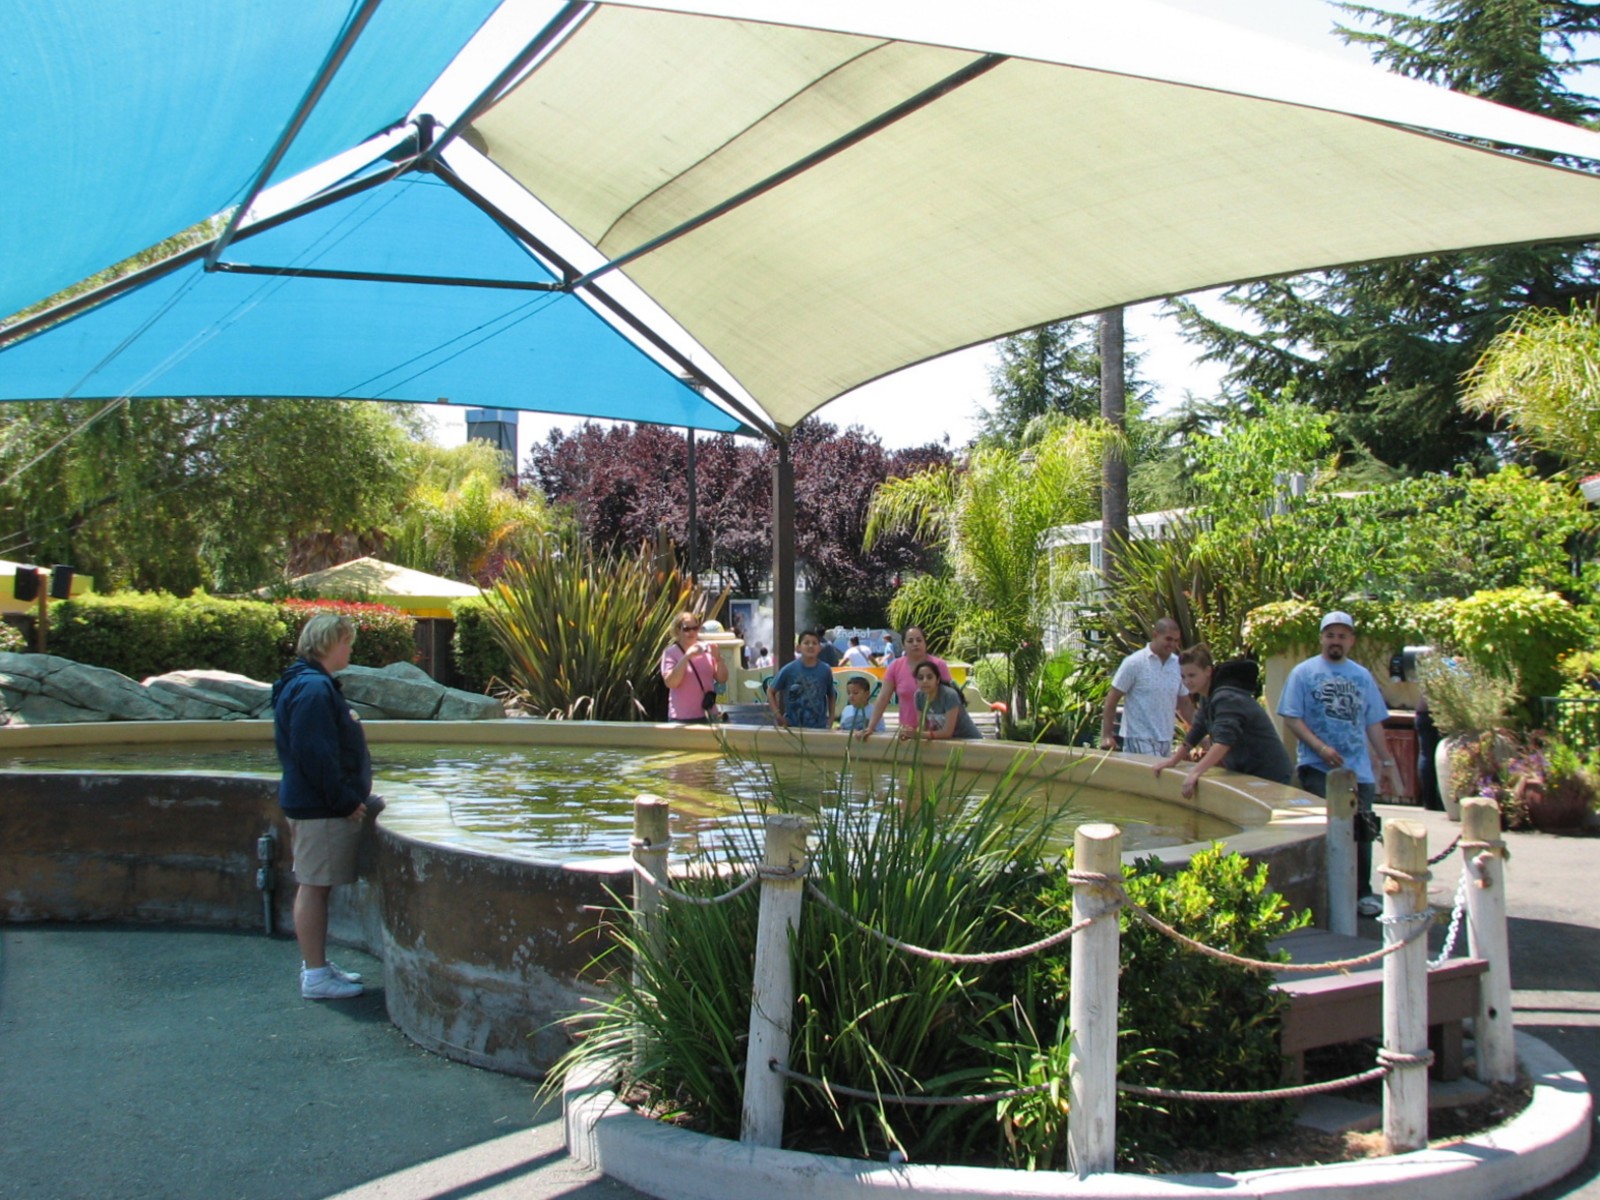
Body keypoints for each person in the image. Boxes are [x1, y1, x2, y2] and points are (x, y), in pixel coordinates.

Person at [273, 613, 378, 1001]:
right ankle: (315, 975)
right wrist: (345, 799)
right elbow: (314, 753)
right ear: (328, 643)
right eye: (346, 641)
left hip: (313, 804)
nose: (350, 649)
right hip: (319, 808)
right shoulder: (314, 690)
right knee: (314, 887)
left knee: (315, 885)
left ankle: (317, 966)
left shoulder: (309, 684)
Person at [1278, 611, 1404, 919]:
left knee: (1361, 830)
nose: (1336, 640)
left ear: (1351, 640)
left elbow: (1373, 722)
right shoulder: (1303, 673)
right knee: (1328, 828)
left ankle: (1361, 893)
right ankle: (1322, 891)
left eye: (1342, 635)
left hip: (1357, 769)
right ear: (1322, 638)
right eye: (1330, 634)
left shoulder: (1362, 676)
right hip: (1316, 767)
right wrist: (1320, 748)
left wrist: (1387, 762)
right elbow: (1292, 716)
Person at [1152, 646, 1291, 797]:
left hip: (1268, 772)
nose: (1187, 682)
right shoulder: (1208, 696)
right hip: (1245, 770)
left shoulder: (1226, 698)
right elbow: (1197, 730)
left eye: (1192, 675)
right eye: (1183, 676)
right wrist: (1173, 760)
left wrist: (1195, 772)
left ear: (1208, 671)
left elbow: (1224, 741)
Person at [1099, 617, 1194, 756]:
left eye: (1176, 640)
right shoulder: (1134, 663)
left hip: (1166, 739)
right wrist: (1107, 735)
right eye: (1168, 639)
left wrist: (1201, 737)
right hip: (1138, 737)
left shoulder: (1178, 665)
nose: (1172, 644)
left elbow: (1185, 704)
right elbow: (1112, 699)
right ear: (1155, 635)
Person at [854, 626, 949, 740]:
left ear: (925, 643)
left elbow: (950, 699)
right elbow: (883, 698)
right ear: (903, 645)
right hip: (907, 733)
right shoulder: (895, 667)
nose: (915, 644)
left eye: (919, 640)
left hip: (936, 734)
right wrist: (870, 727)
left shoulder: (939, 665)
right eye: (910, 641)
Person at [660, 611, 727, 723]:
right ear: (678, 631)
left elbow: (722, 678)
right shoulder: (670, 653)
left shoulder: (707, 649)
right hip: (681, 718)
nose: (691, 632)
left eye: (695, 628)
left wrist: (718, 659)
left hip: (708, 715)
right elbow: (671, 682)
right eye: (686, 629)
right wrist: (687, 656)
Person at [768, 629, 836, 729]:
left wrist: (831, 718)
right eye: (806, 643)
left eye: (814, 643)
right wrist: (777, 715)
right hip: (793, 726)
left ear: (820, 648)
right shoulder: (789, 669)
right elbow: (770, 691)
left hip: (819, 727)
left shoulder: (825, 670)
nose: (810, 646)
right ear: (798, 648)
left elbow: (831, 695)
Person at [902, 660, 982, 740]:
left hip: (969, 740)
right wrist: (909, 734)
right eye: (920, 678)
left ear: (937, 680)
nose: (925, 681)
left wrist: (918, 734)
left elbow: (947, 733)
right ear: (916, 681)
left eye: (929, 677)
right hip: (947, 743)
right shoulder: (919, 696)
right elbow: (923, 727)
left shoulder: (949, 695)